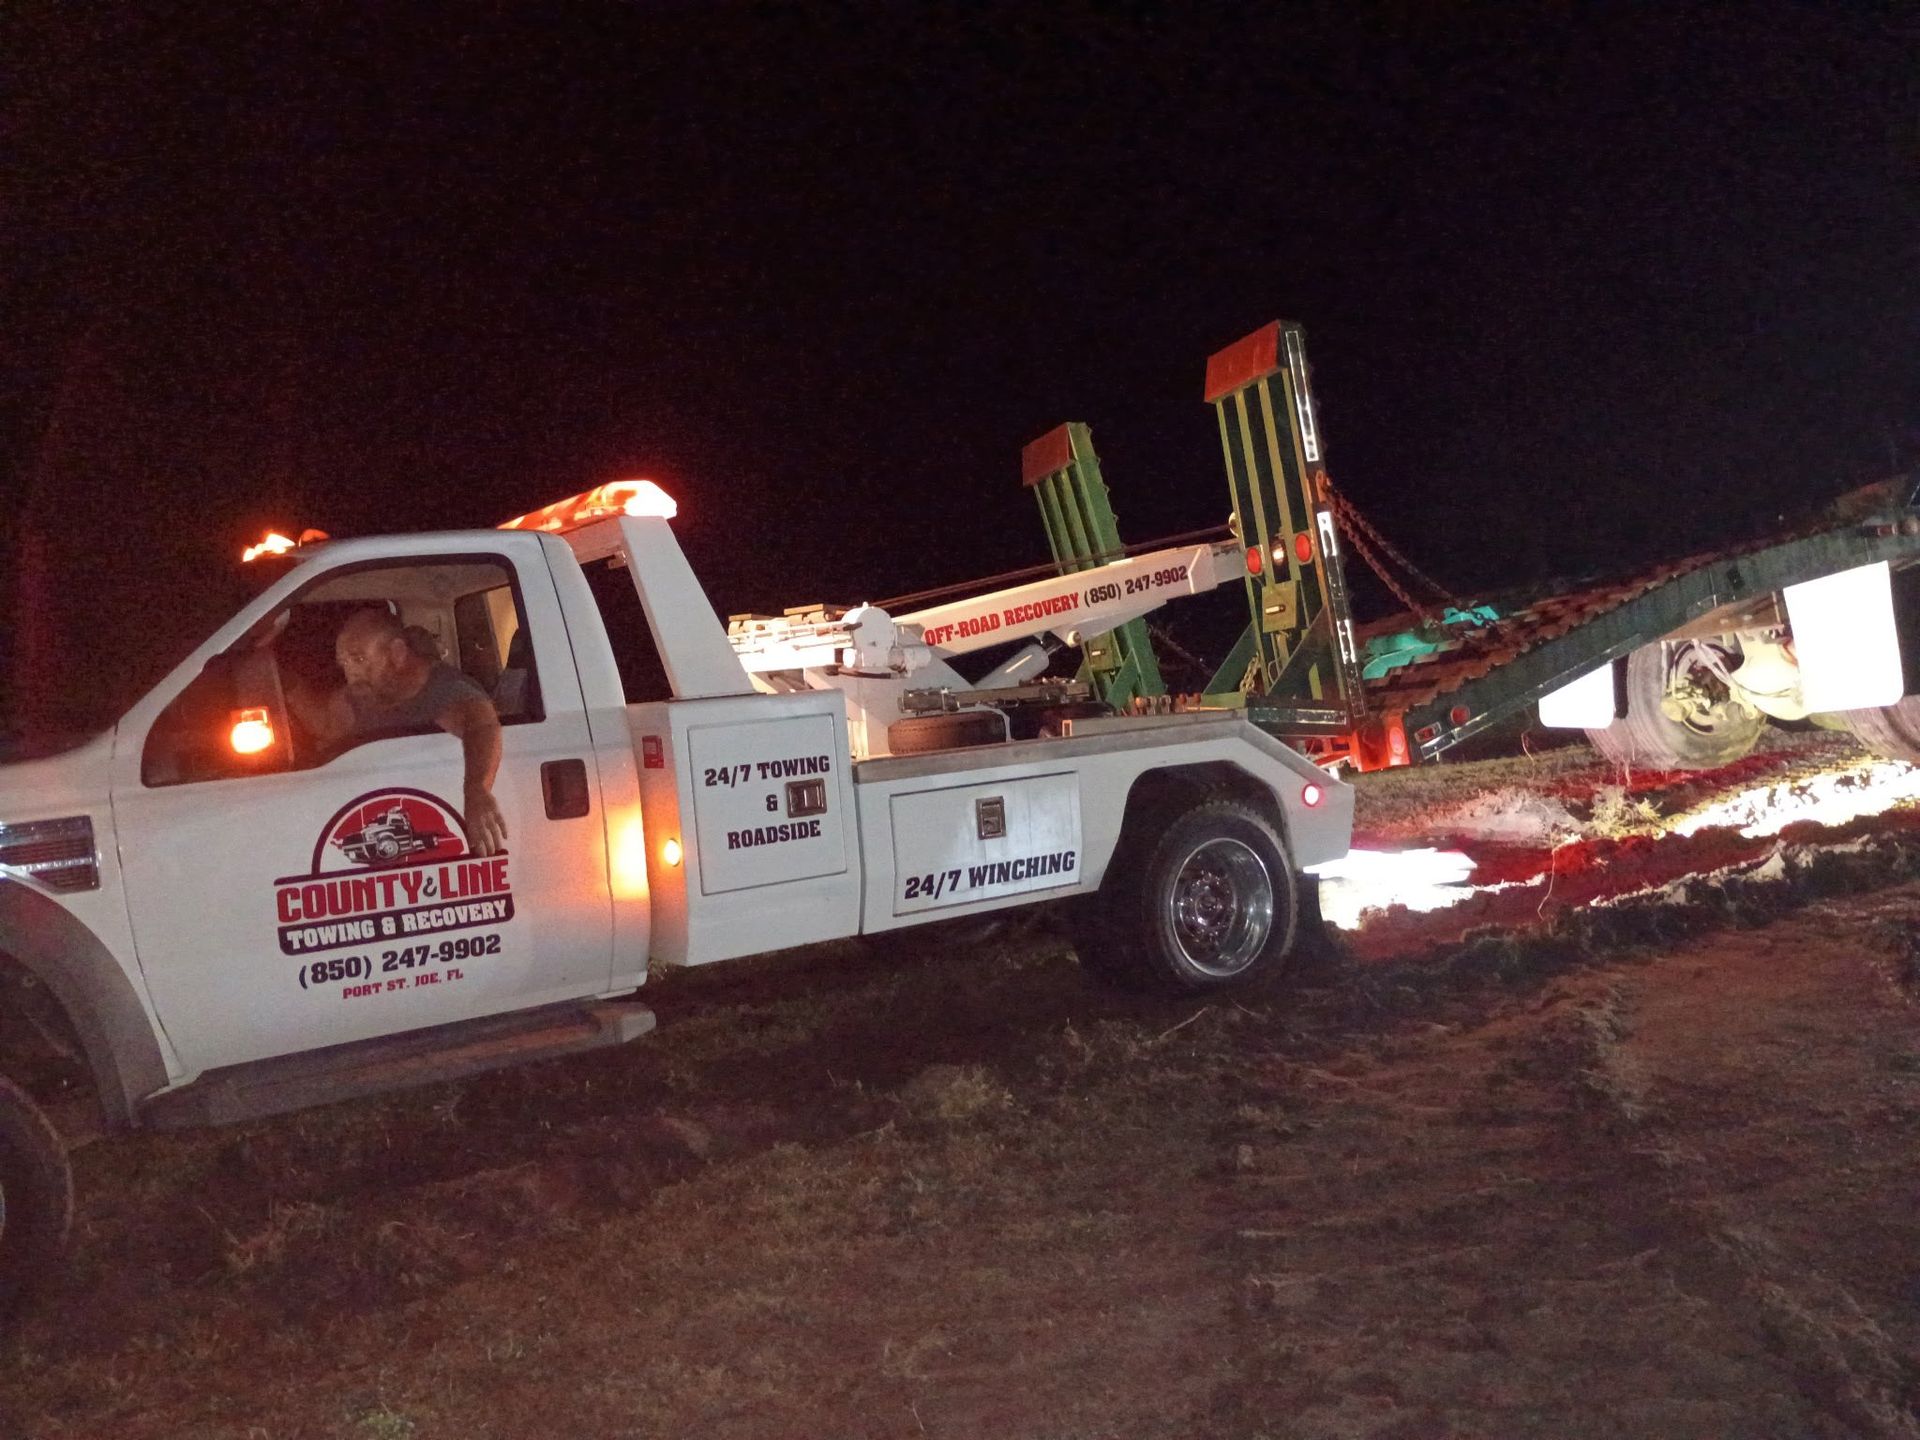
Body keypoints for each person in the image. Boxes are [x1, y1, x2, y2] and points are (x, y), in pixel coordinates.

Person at [298, 607, 509, 856]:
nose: (350, 673)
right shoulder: (365, 694)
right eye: (344, 662)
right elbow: (327, 727)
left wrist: (477, 791)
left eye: (359, 659)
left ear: (397, 653)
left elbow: (482, 725)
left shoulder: (442, 691)